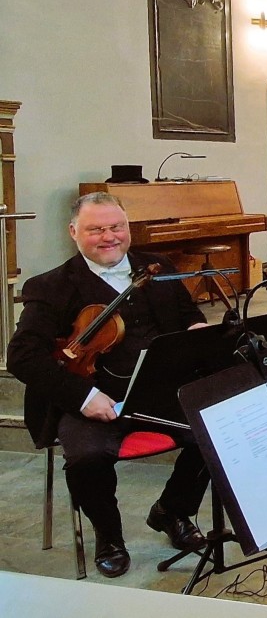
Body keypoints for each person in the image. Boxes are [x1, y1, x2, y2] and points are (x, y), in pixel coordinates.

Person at [7, 193, 211, 578]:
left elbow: (187, 313)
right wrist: (83, 397)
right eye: (95, 229)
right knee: (85, 458)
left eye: (116, 227)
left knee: (219, 428)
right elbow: (22, 356)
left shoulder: (158, 267)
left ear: (128, 228)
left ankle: (172, 511)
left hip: (160, 391)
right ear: (73, 232)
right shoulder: (51, 287)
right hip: (92, 396)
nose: (109, 237)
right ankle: (109, 536)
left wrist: (197, 329)